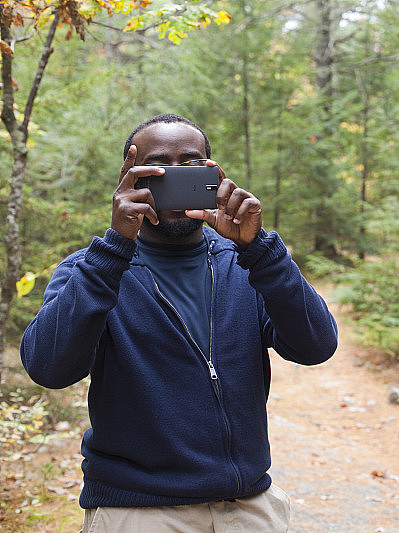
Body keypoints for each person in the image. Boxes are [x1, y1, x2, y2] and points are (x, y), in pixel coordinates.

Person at [20, 113, 338, 532]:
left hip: (249, 507)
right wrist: (115, 247)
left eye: (190, 164)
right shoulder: (92, 270)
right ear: (130, 181)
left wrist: (260, 249)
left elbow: (316, 346)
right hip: (138, 511)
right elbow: (48, 368)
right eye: (157, 167)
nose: (175, 176)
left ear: (213, 173)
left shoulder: (246, 263)